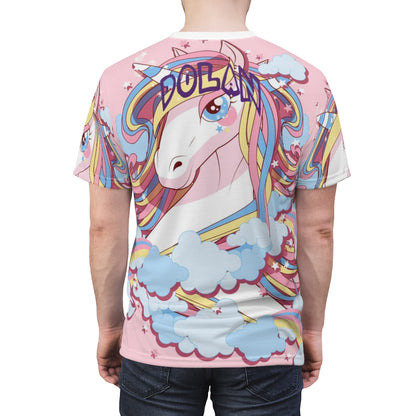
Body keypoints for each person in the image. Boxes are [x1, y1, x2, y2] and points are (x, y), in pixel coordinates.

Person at [73, 0, 350, 414]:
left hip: (155, 337)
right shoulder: (310, 83)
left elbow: (103, 229)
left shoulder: (116, 82)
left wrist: (111, 324)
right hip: (267, 342)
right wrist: (311, 329)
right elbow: (319, 230)